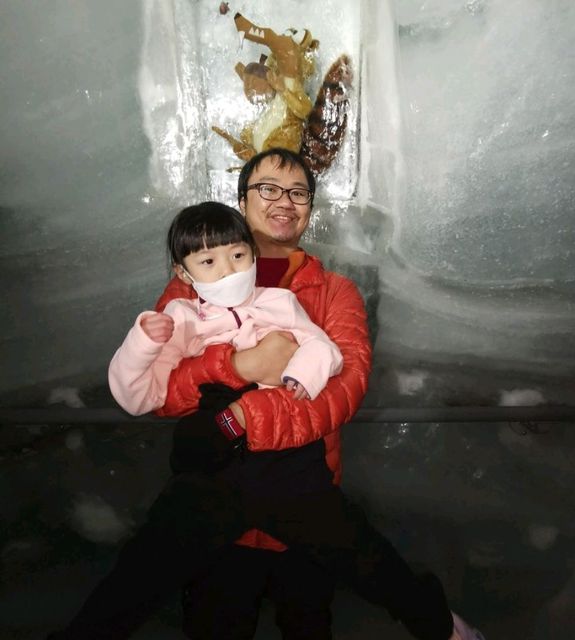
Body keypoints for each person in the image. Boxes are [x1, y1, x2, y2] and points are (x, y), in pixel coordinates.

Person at [154, 149, 482, 640]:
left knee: (307, 625)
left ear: (310, 206)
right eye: (267, 188)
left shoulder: (334, 291)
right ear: (242, 200)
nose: (284, 202)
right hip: (219, 513)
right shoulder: (191, 284)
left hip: (307, 503)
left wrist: (246, 417)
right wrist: (238, 365)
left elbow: (347, 386)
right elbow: (160, 392)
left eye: (298, 193)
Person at [108, 201, 344, 418]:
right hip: (217, 442)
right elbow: (140, 399)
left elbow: (323, 346)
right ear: (183, 273)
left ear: (254, 253)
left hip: (283, 424)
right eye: (208, 261)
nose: (228, 270)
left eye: (238, 255)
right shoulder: (182, 318)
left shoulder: (280, 301)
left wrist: (305, 374)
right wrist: (142, 342)